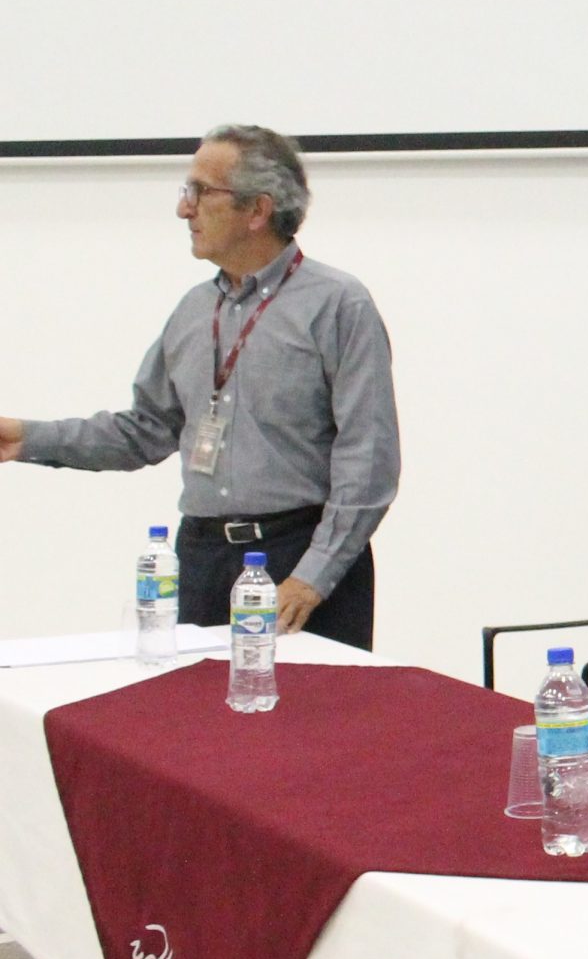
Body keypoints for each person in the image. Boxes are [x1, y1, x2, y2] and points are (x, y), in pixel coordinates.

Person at [0, 124, 399, 648]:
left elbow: (367, 456)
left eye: (200, 192)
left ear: (257, 210)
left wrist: (313, 576)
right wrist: (26, 438)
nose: (183, 209)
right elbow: (145, 432)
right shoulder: (194, 310)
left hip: (298, 558)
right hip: (202, 558)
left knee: (305, 705)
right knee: (196, 703)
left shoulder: (338, 305)